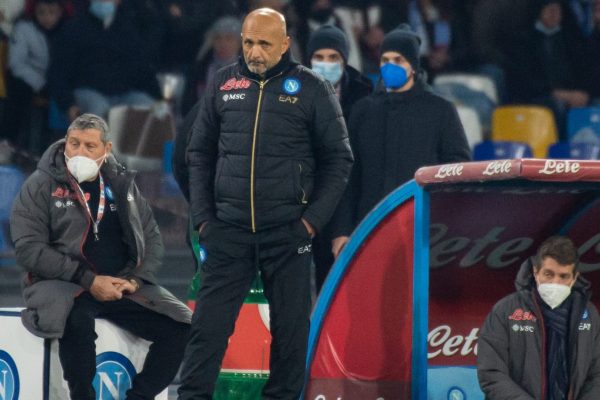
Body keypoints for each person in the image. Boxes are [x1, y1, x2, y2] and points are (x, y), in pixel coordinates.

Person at [177, 7, 353, 399]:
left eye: (264, 44)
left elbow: (340, 160)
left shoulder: (312, 89)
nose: (254, 52)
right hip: (228, 233)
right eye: (248, 42)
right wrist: (205, 219)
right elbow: (199, 153)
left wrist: (310, 224)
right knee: (206, 332)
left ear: (286, 45)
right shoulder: (223, 84)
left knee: (290, 337)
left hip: (288, 235)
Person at [10, 113, 191, 400]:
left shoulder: (121, 184)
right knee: (77, 320)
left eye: (89, 146)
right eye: (74, 143)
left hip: (120, 287)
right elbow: (28, 248)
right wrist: (88, 280)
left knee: (181, 326)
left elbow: (151, 238)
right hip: (64, 284)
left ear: (106, 150)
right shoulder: (41, 184)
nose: (79, 152)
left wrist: (135, 278)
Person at [330, 24, 470, 258]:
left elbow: (457, 168)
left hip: (423, 229)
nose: (390, 66)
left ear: (413, 66)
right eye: (385, 60)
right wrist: (342, 230)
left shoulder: (440, 110)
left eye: (398, 60)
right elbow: (349, 176)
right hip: (368, 227)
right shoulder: (363, 111)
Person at [477, 236, 600, 399]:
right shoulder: (506, 310)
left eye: (563, 276)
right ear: (535, 272)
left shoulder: (589, 314)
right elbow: (491, 373)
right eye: (549, 274)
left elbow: (597, 374)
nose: (555, 282)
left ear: (574, 278)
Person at [306, 23, 372, 291]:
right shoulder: (292, 91)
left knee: (333, 282)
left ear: (344, 60)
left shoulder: (363, 96)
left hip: (343, 201)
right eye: (319, 57)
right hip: (303, 200)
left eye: (333, 58)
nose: (326, 64)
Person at [47, 0, 161, 121]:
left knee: (148, 107)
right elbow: (58, 73)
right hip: (86, 91)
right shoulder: (74, 28)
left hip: (123, 93)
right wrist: (68, 104)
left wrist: (159, 98)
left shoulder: (128, 29)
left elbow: (142, 67)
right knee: (98, 108)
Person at [2, 0, 67, 154]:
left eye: (52, 13)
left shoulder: (68, 30)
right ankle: (8, 142)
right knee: (18, 89)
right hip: (32, 79)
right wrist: (41, 84)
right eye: (42, 13)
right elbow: (17, 64)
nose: (47, 18)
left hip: (59, 80)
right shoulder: (24, 29)